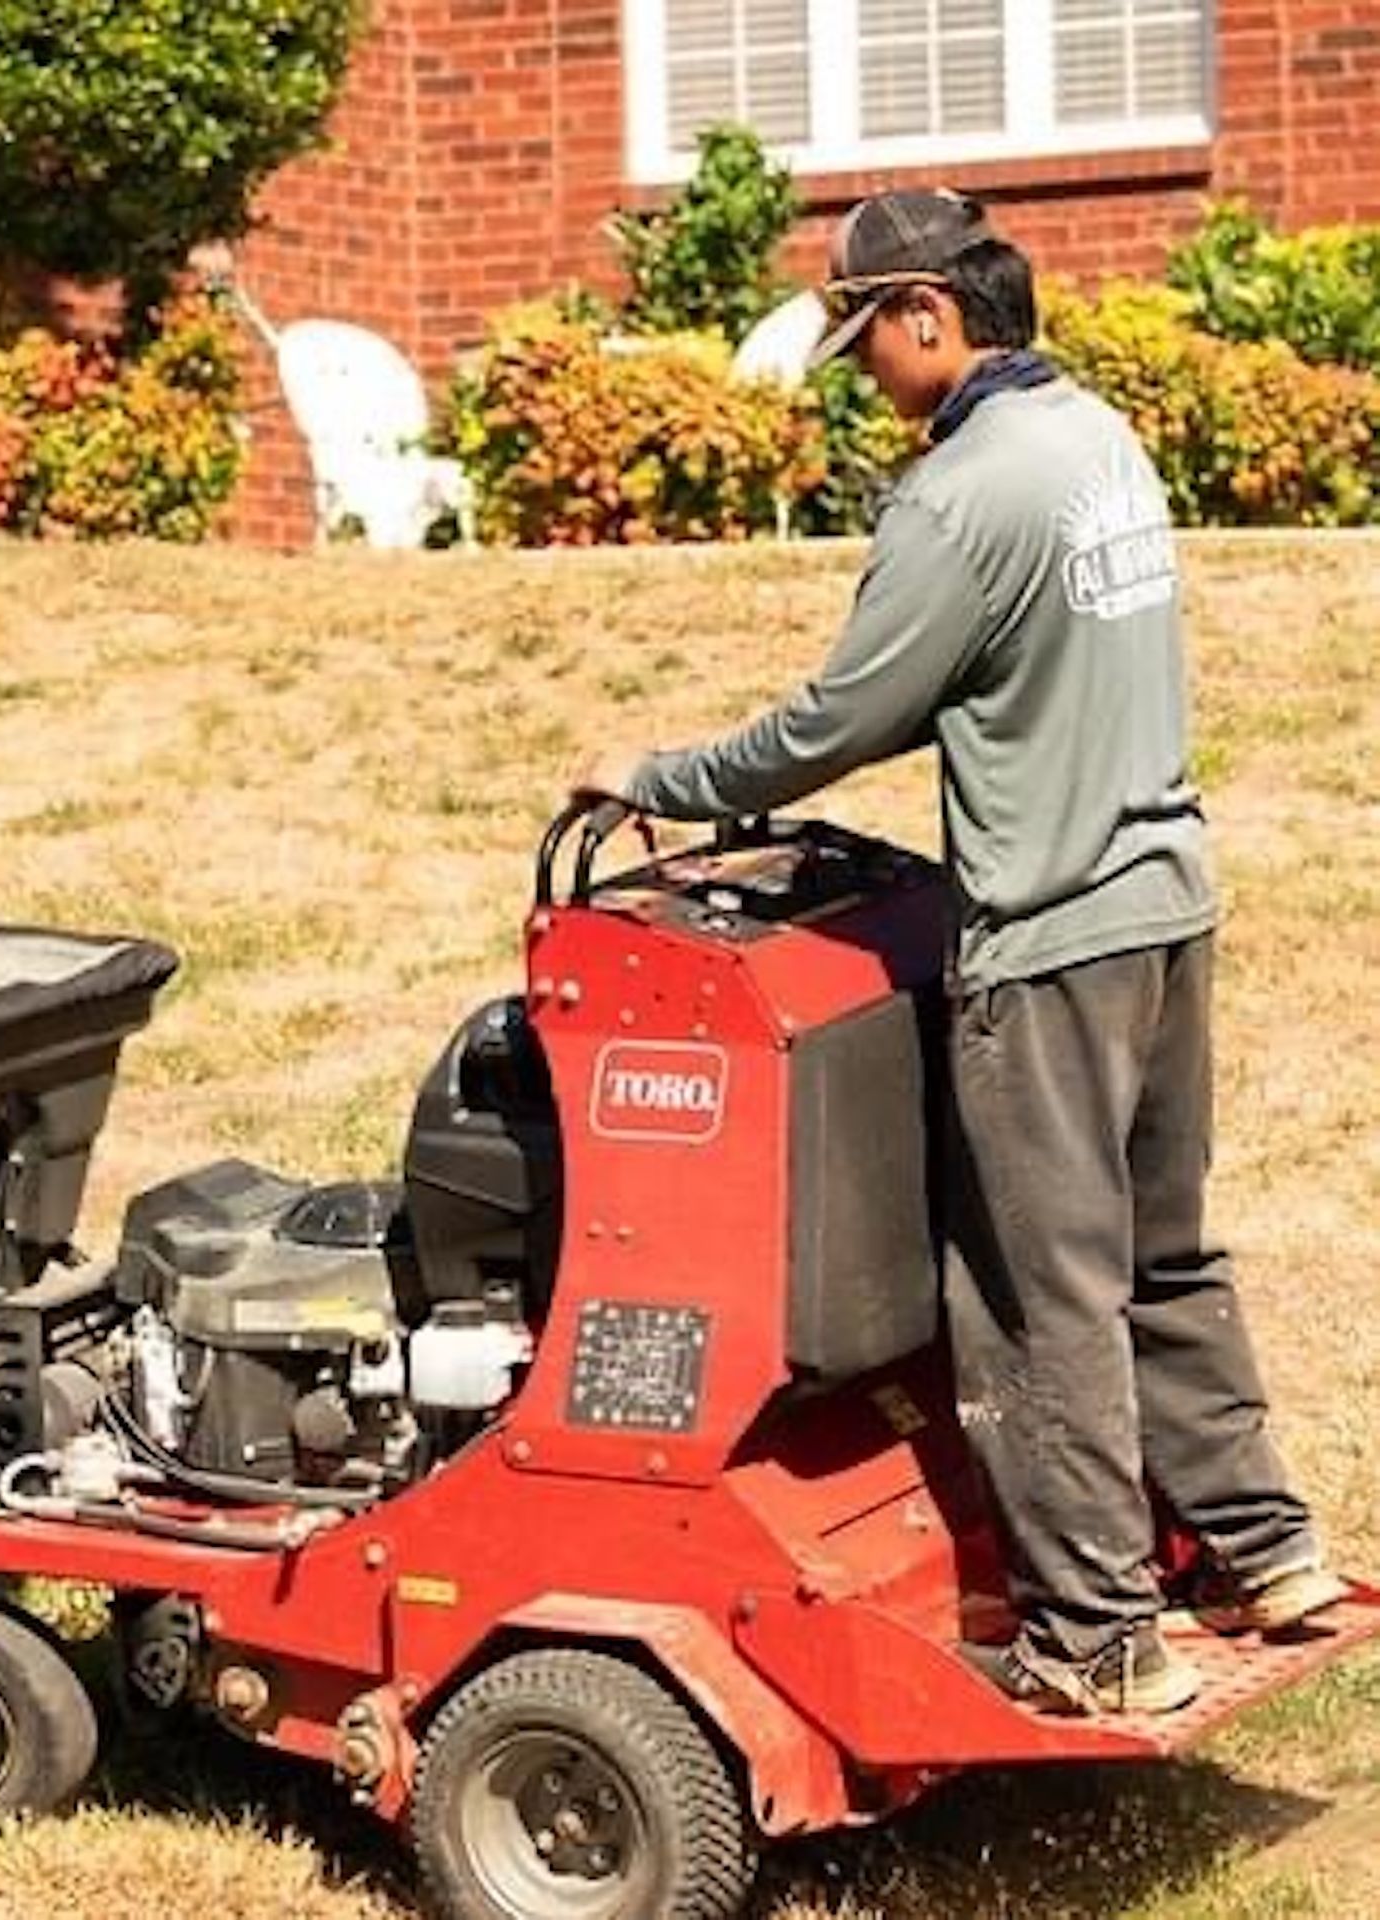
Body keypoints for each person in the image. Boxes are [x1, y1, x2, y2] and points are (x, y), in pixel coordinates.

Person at [573, 188, 1346, 1716]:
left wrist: (651, 778)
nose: (867, 372)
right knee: (1161, 1253)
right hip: (1164, 907)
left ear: (931, 313)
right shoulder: (1097, 441)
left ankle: (1097, 1645)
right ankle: (1270, 1552)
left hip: (1051, 942)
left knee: (1035, 1289)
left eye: (870, 341)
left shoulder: (962, 493)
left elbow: (841, 718)